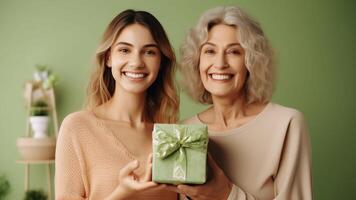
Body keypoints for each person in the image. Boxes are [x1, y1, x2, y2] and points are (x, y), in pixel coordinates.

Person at [171, 6, 312, 200]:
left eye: (234, 52)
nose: (220, 63)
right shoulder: (183, 133)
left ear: (251, 61)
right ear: (197, 61)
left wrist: (227, 194)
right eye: (210, 51)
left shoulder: (286, 124)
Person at [55, 9, 180, 200]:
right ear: (108, 58)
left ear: (161, 61)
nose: (137, 62)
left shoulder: (171, 135)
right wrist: (121, 194)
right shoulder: (77, 127)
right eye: (124, 50)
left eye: (149, 52)